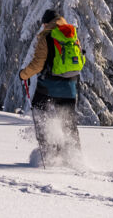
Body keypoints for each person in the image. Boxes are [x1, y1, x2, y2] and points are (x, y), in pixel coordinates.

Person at [19, 9, 82, 164]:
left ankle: (48, 154)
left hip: (49, 85)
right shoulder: (71, 34)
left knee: (40, 113)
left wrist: (24, 75)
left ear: (46, 23)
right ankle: (75, 157)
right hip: (70, 86)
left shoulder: (47, 37)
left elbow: (38, 64)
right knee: (68, 122)